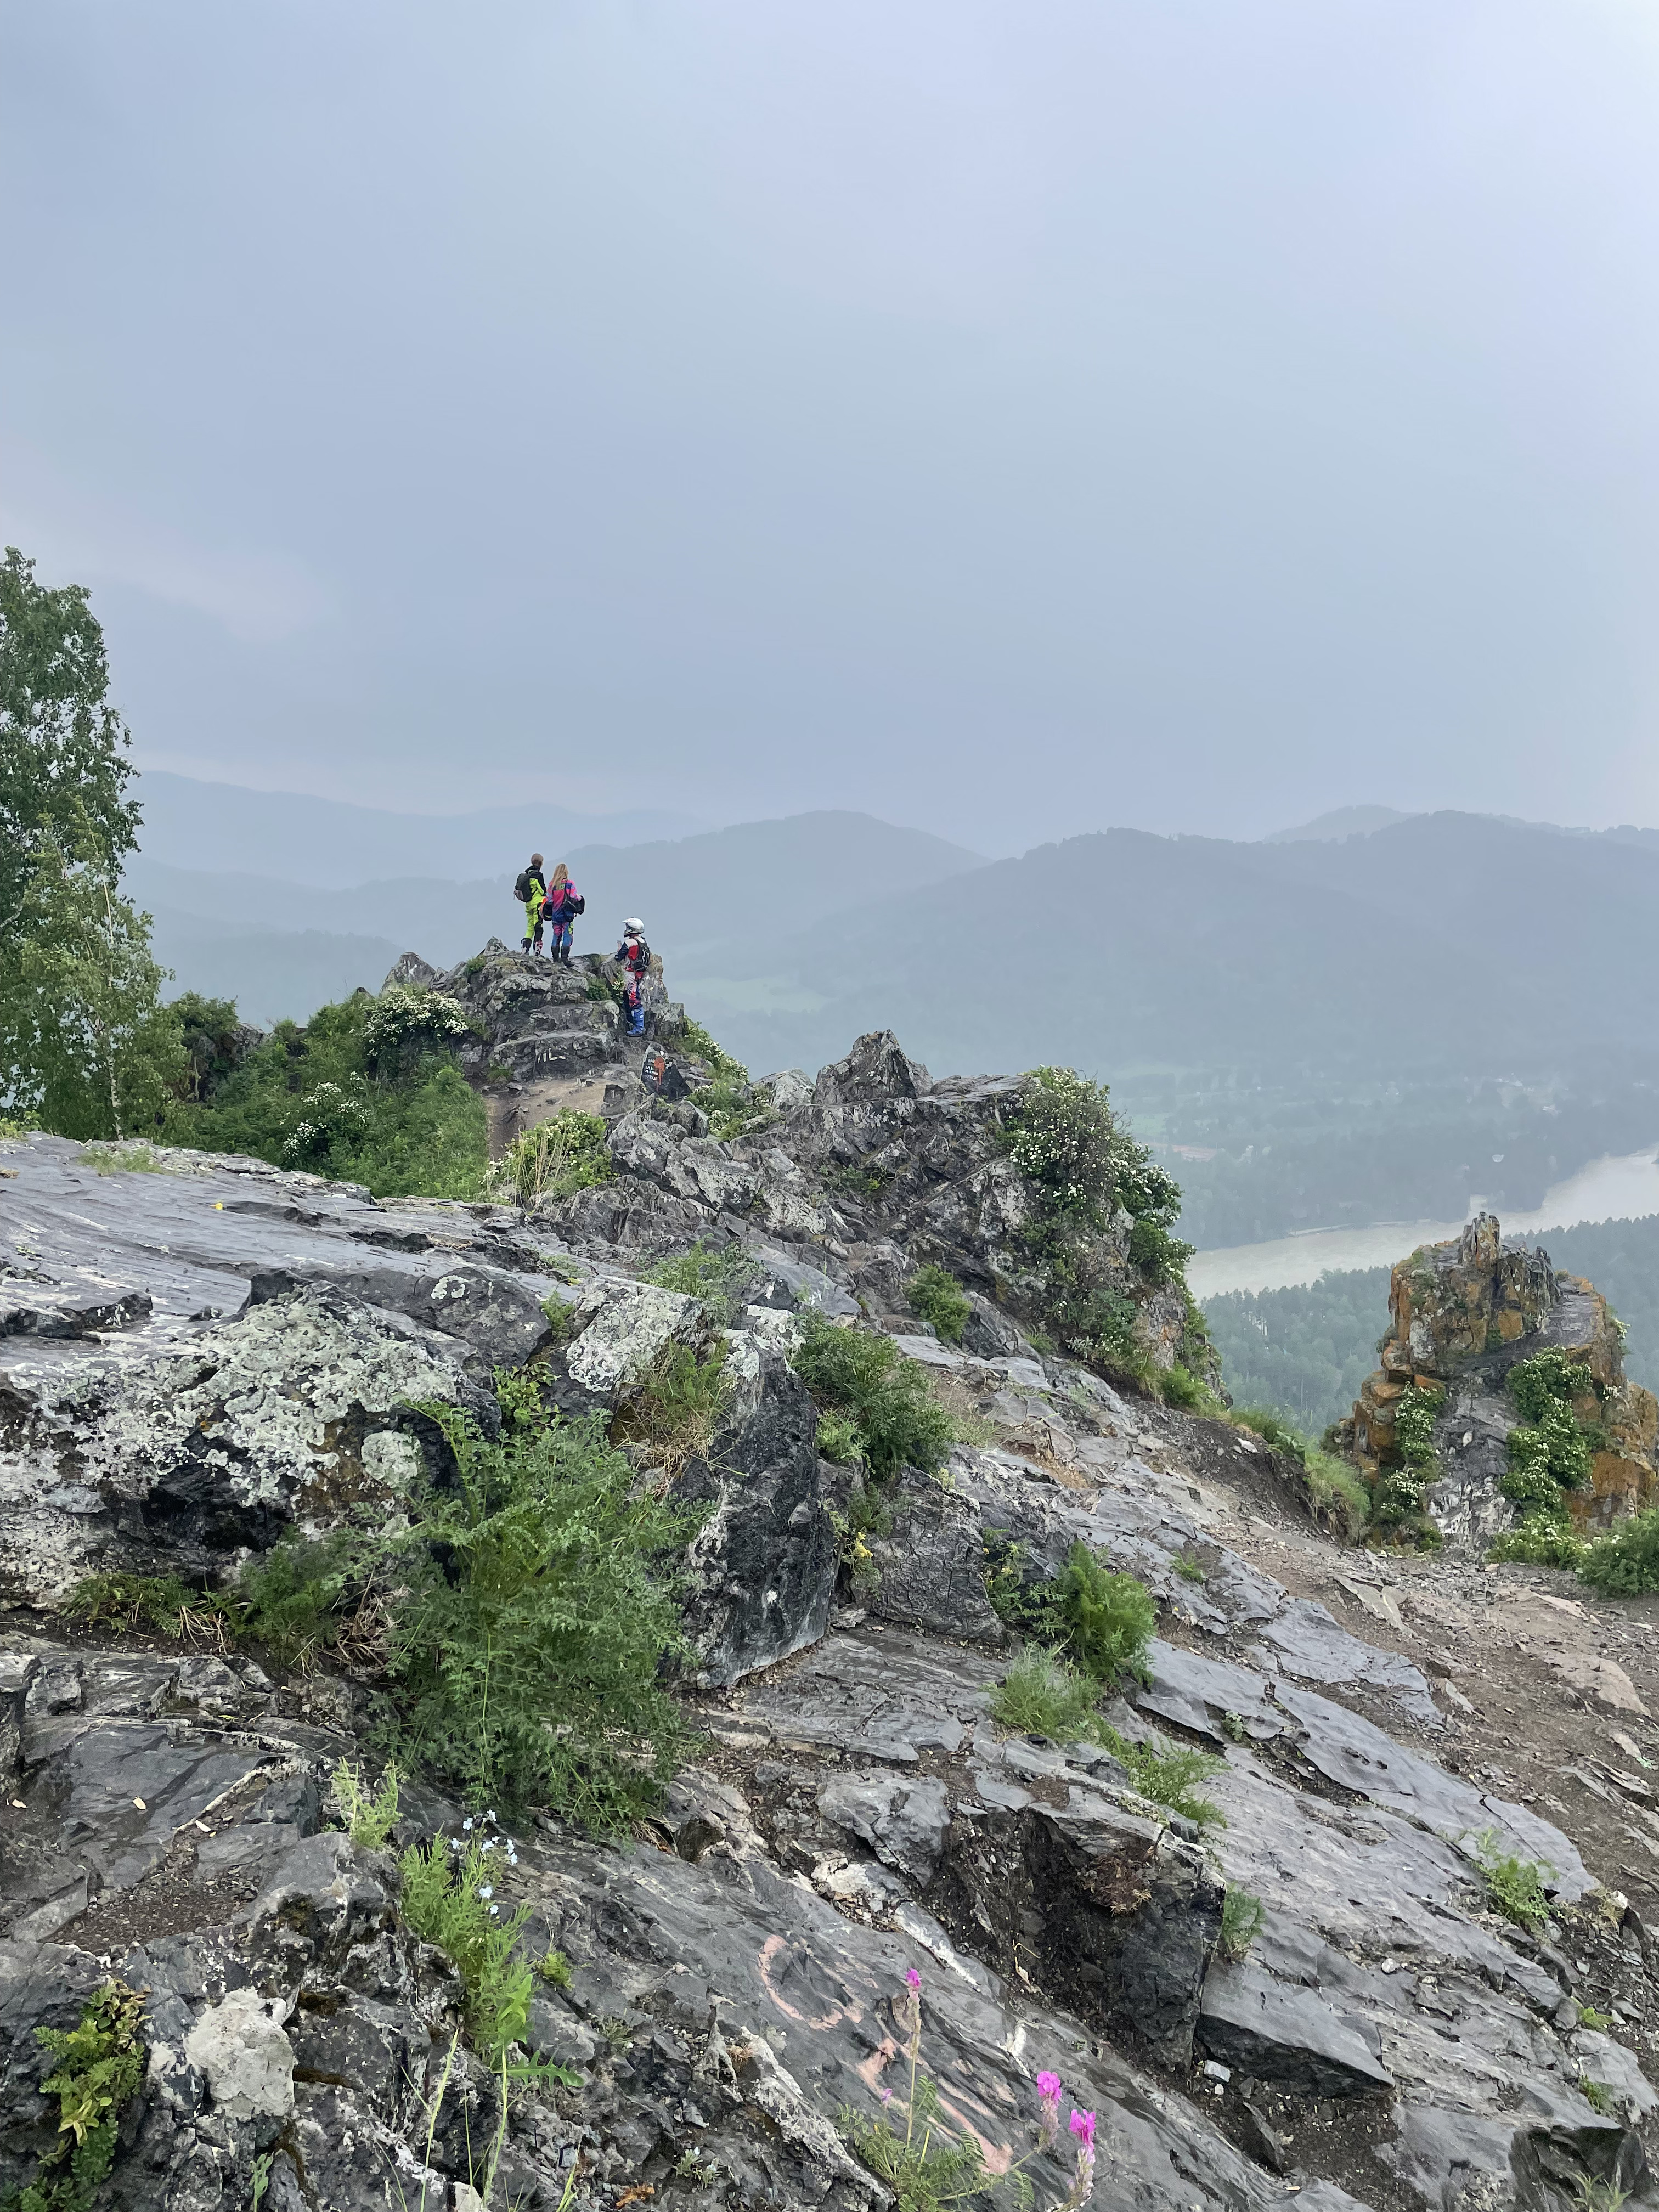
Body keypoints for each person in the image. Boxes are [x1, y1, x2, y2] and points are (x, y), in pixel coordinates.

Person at [543, 862, 585, 963]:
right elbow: (573, 897)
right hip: (567, 915)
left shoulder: (552, 885)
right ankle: (564, 959)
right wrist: (580, 898)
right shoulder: (570, 884)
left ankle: (555, 959)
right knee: (567, 935)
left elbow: (549, 900)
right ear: (566, 872)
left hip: (556, 915)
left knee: (556, 935)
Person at [616, 917, 651, 1035]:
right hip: (639, 973)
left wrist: (619, 951)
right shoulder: (643, 941)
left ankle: (639, 1027)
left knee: (633, 999)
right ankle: (632, 1020)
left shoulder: (629, 943)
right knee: (631, 996)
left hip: (630, 973)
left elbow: (619, 957)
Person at [514, 853, 547, 955]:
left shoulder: (526, 875)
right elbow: (542, 890)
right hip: (538, 905)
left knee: (530, 927)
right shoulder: (538, 876)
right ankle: (537, 951)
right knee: (538, 926)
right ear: (541, 864)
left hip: (528, 905)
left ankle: (525, 948)